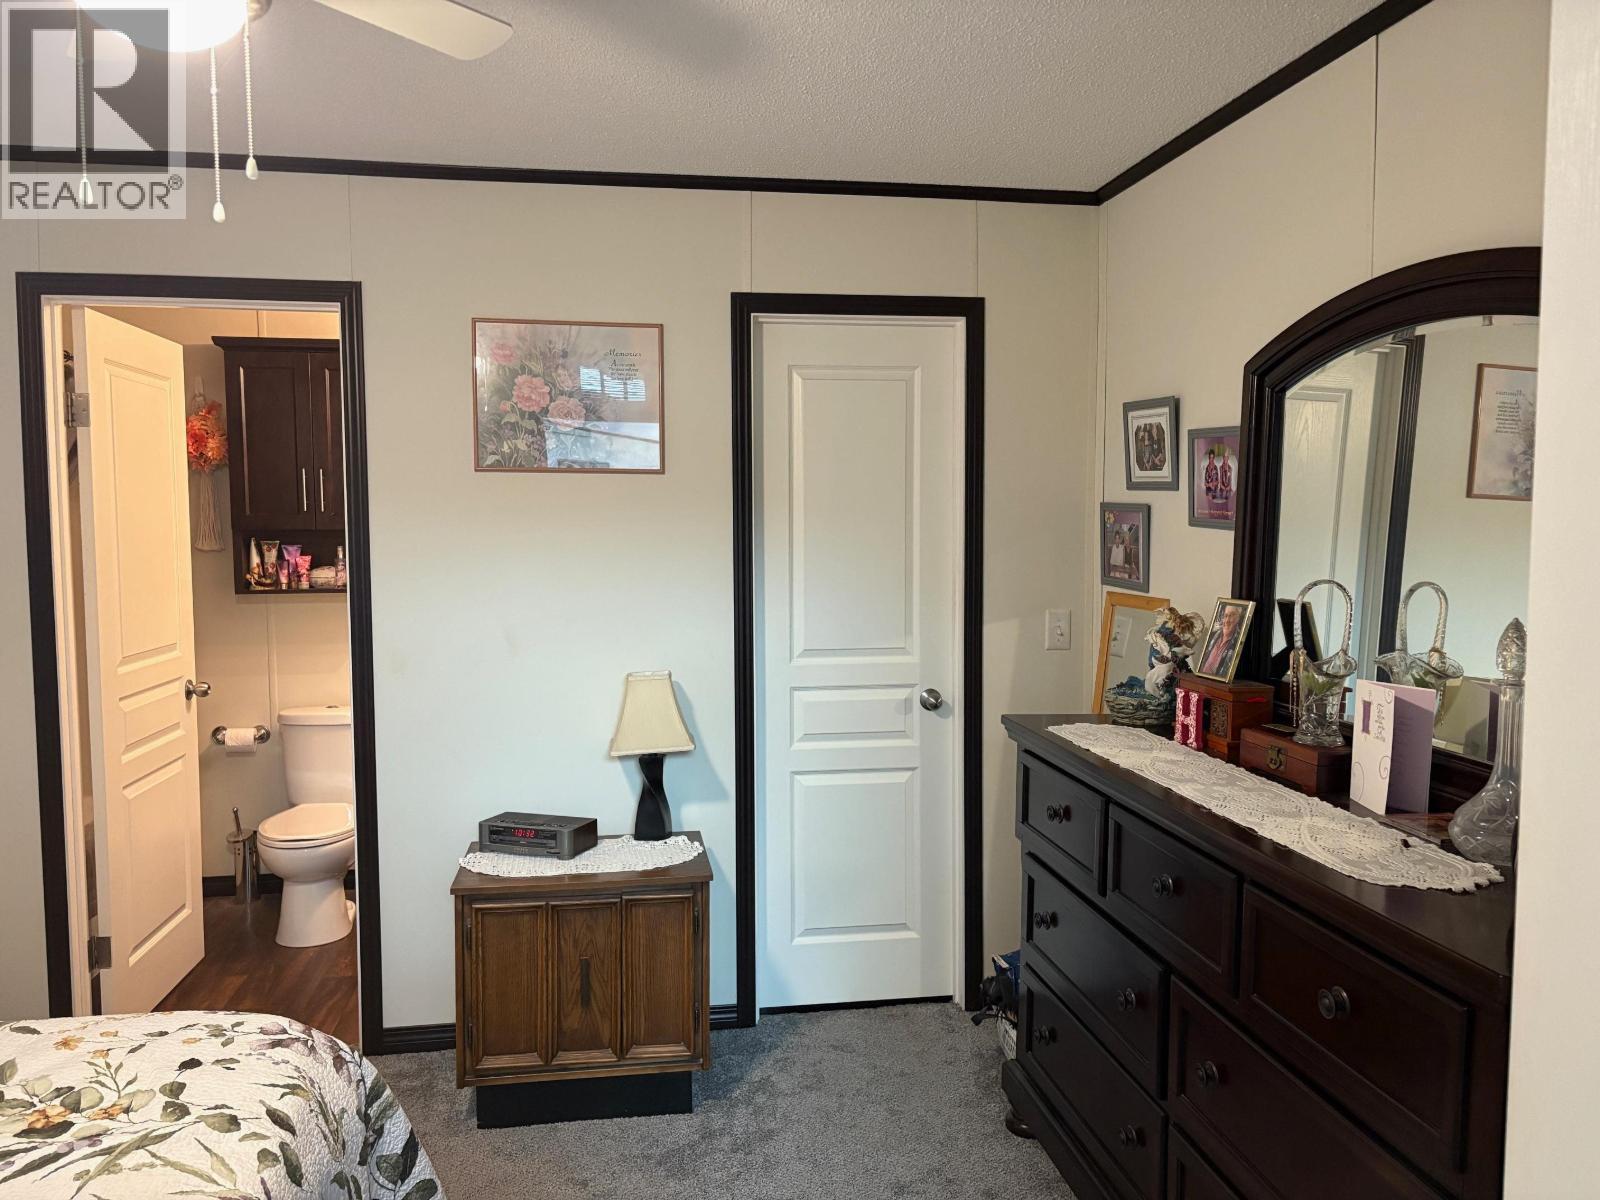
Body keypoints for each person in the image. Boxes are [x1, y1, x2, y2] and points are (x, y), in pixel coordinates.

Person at [1201, 605, 1244, 676]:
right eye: (1225, 616)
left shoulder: (1238, 642)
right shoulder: (1212, 636)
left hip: (1218, 684)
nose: (1227, 620)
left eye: (1232, 615)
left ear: (1238, 619)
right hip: (1203, 680)